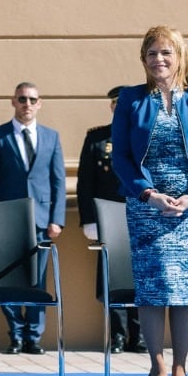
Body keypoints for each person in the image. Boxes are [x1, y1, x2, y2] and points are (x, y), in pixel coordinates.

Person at [111, 27, 188, 376]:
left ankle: (180, 367)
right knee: (154, 287)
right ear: (143, 60)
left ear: (179, 56)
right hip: (148, 205)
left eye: (166, 53)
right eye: (152, 54)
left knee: (186, 290)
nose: (159, 60)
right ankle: (157, 365)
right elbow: (121, 156)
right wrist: (148, 194)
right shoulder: (131, 99)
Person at [0, 81, 66, 354]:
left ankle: (33, 337)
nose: (27, 104)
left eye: (32, 99)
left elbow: (58, 182)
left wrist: (57, 219)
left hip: (41, 222)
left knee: (38, 282)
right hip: (7, 222)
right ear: (13, 101)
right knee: (9, 280)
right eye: (22, 99)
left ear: (39, 103)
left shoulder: (51, 137)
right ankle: (15, 334)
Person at [77, 85, 141, 353]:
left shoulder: (145, 134)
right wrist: (89, 220)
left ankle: (139, 335)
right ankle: (116, 334)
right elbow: (85, 183)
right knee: (111, 277)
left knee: (140, 277)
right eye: (117, 104)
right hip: (108, 219)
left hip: (139, 216)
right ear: (112, 107)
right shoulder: (97, 138)